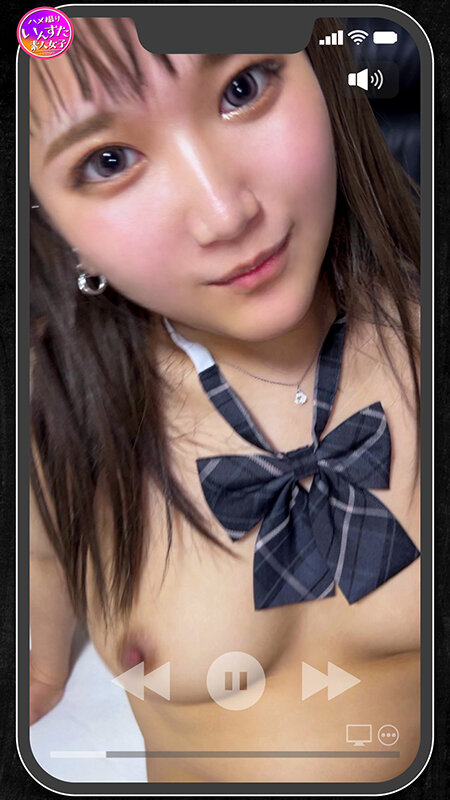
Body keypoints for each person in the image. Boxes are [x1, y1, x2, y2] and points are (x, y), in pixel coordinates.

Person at [29, 16, 421, 784]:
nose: (225, 213)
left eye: (243, 88)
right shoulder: (54, 414)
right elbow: (37, 642)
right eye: (108, 161)